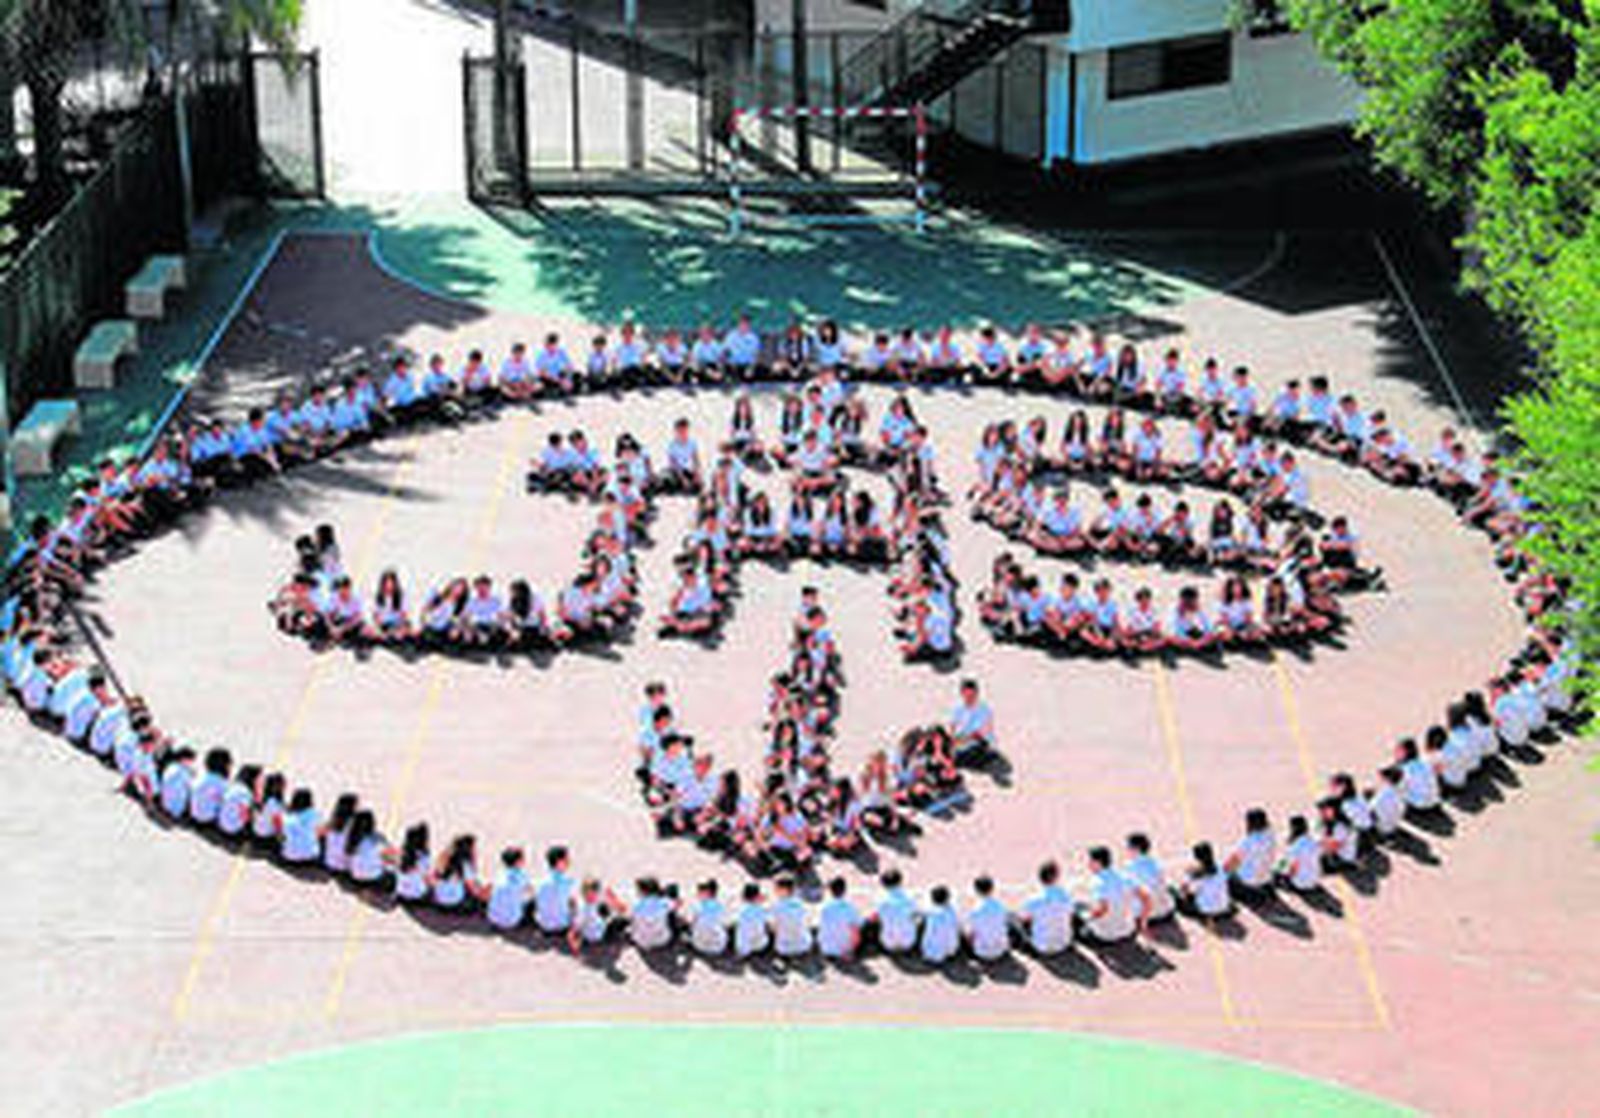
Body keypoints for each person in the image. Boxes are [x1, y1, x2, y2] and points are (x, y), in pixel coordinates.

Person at [1080, 846, 1143, 943]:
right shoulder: (1124, 876)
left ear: (1097, 863)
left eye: (1090, 861)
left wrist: (1088, 916)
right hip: (1127, 929)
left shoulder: (1098, 882)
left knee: (1078, 911)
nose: (1088, 864)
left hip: (1106, 935)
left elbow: (1103, 909)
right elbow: (1142, 895)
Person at [1020, 860, 1074, 956]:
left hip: (1041, 946)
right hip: (1063, 943)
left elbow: (1024, 919)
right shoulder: (1065, 895)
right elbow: (1070, 914)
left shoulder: (1034, 898)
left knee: (1015, 920)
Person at [948, 679, 997, 766]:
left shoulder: (983, 709)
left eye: (972, 695)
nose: (969, 698)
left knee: (971, 752)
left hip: (979, 741)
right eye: (966, 695)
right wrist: (953, 738)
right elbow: (953, 726)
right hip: (962, 740)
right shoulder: (958, 708)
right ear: (962, 694)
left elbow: (979, 732)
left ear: (976, 694)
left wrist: (962, 740)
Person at [1179, 842, 1233, 919]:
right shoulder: (1222, 867)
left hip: (1206, 910)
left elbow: (1185, 890)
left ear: (1197, 858)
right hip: (1224, 907)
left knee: (1178, 896)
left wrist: (1187, 875)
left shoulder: (1196, 875)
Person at [966, 875, 1012, 962]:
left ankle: (970, 957)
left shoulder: (975, 910)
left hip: (981, 953)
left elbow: (971, 935)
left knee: (965, 932)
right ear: (992, 888)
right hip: (1001, 950)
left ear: (976, 890)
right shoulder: (1001, 906)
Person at [534, 845, 577, 938]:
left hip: (544, 925)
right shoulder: (568, 881)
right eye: (566, 859)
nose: (569, 861)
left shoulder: (541, 881)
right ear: (559, 862)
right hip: (562, 926)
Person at [817, 877, 863, 961]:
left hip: (827, 949)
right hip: (845, 949)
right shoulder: (851, 907)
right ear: (844, 890)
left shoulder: (825, 908)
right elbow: (856, 929)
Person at [487, 847, 533, 931]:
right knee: (531, 903)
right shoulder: (521, 875)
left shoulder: (499, 874)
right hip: (511, 922)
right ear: (517, 862)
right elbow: (530, 891)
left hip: (494, 919)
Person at [772, 876, 812, 959]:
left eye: (776, 888)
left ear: (784, 890)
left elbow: (775, 928)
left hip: (784, 949)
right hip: (804, 946)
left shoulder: (777, 906)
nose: (774, 890)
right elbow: (807, 922)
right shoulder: (801, 904)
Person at [690, 879, 730, 956]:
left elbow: (693, 924)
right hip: (718, 947)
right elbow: (724, 923)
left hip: (699, 945)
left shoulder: (697, 905)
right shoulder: (721, 906)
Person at [734, 882, 772, 960]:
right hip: (761, 945)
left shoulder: (741, 910)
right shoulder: (761, 909)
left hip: (743, 949)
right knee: (766, 927)